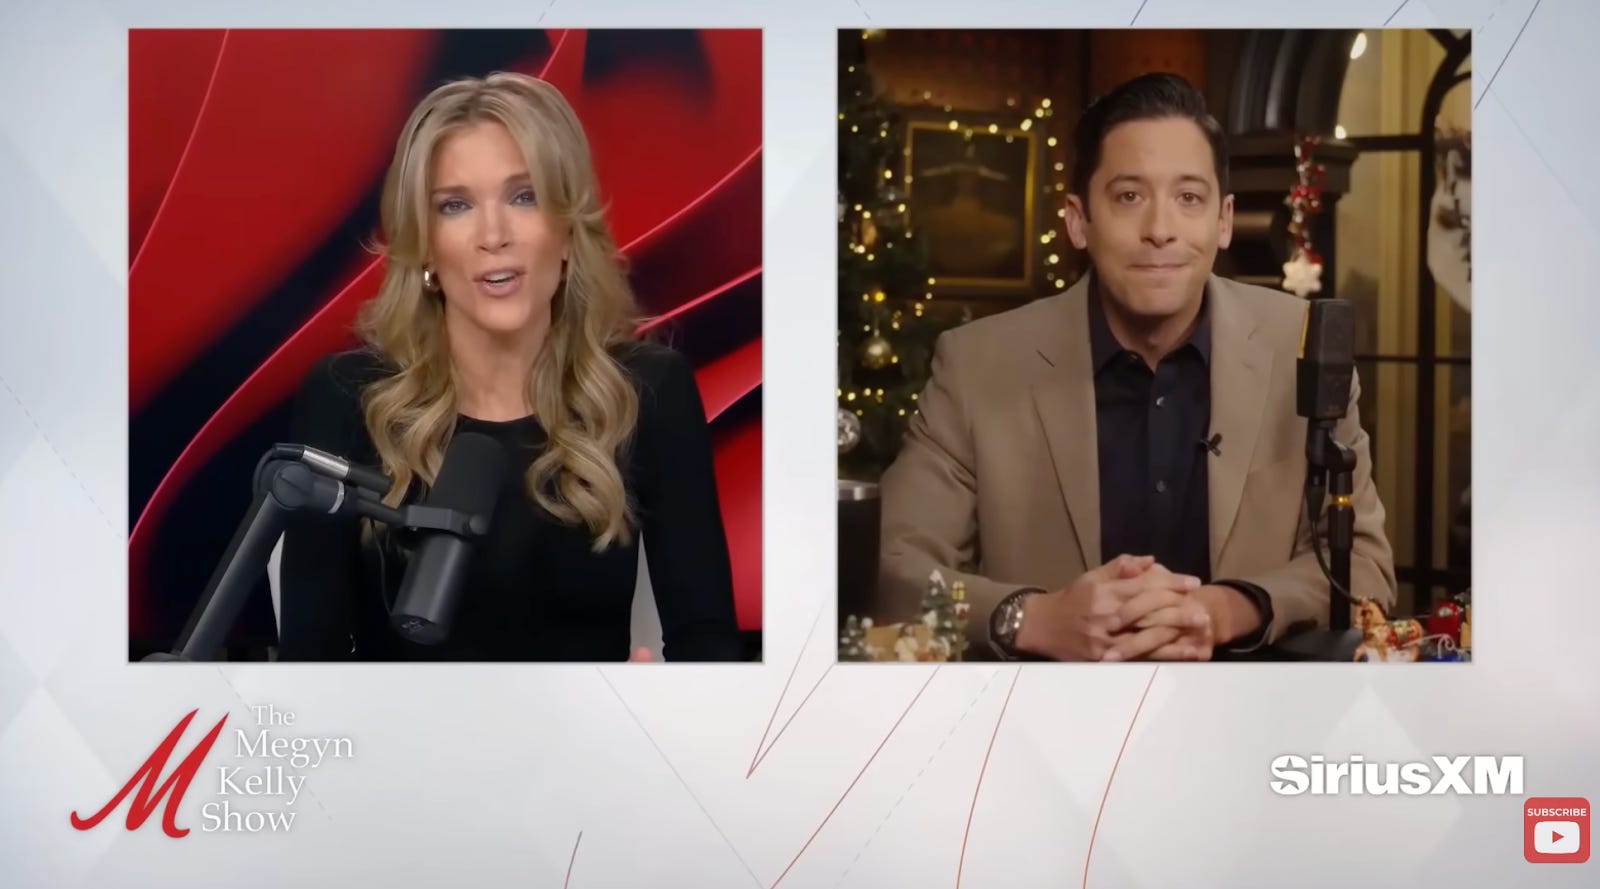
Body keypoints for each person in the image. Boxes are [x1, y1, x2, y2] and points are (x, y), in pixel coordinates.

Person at [877, 72, 1397, 662]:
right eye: (1129, 197)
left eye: (1189, 198)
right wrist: (1034, 618)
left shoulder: (1301, 344)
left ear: (1223, 220)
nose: (1160, 230)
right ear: (1078, 220)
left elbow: (1365, 565)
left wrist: (1230, 609)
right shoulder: (977, 366)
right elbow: (894, 572)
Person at [277, 72, 743, 662]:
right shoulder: (347, 397)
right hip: (399, 725)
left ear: (568, 232)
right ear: (424, 247)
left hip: (590, 725)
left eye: (524, 197)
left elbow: (708, 641)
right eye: (455, 205)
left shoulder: (648, 389)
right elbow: (308, 663)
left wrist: (658, 697)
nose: (493, 235)